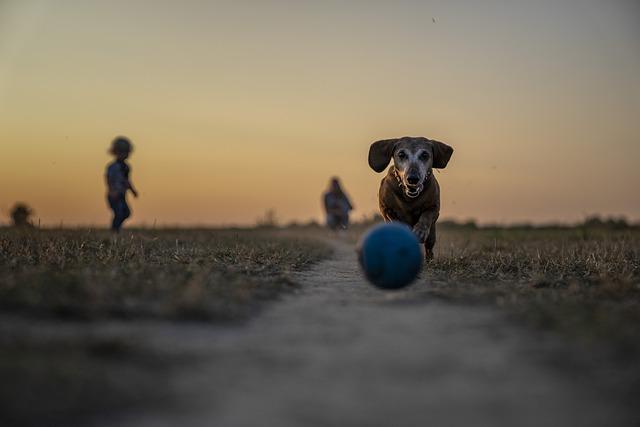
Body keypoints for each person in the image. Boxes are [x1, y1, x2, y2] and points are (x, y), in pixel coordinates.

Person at [105, 136, 138, 231]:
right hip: (114, 195)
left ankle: (116, 229)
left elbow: (127, 181)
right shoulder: (112, 167)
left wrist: (132, 191)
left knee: (126, 213)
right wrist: (112, 190)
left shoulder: (126, 167)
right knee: (119, 213)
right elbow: (108, 179)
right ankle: (114, 230)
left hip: (121, 194)